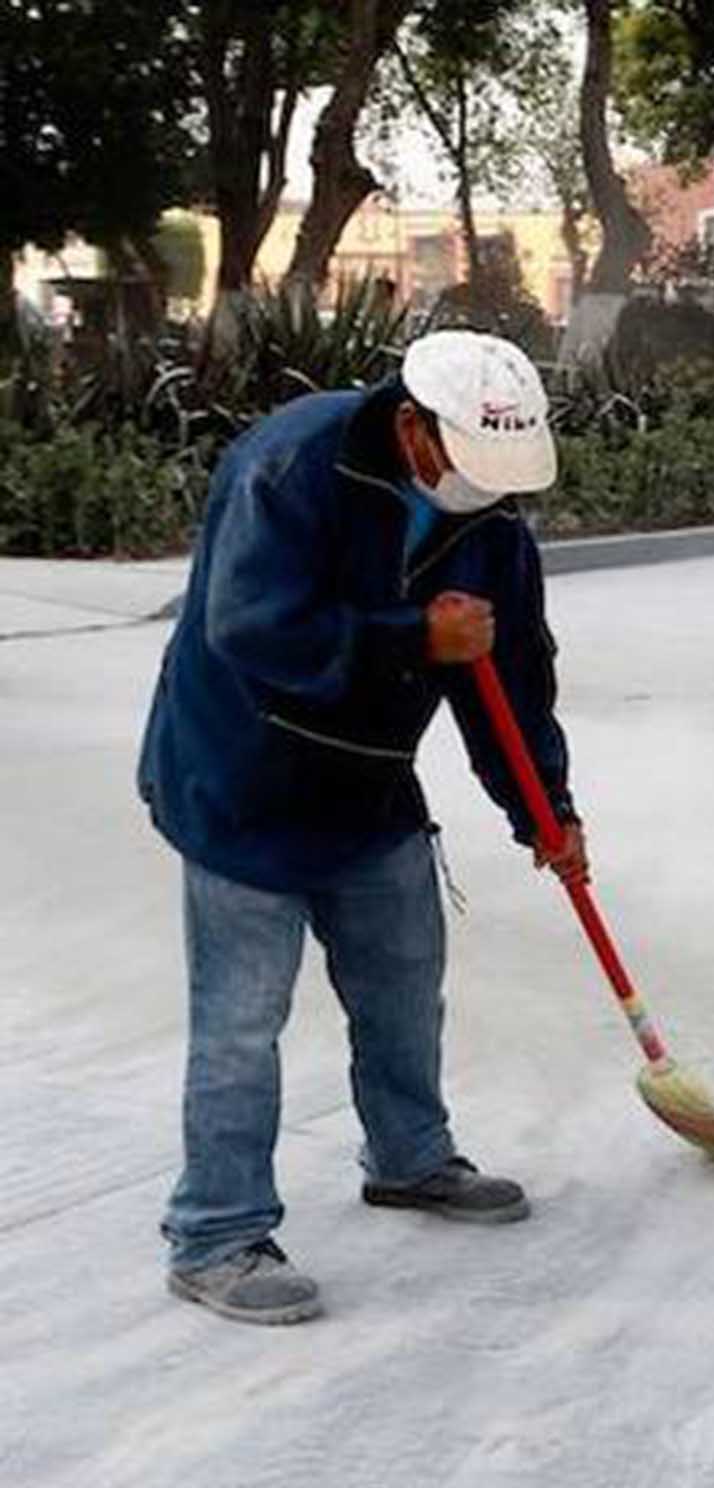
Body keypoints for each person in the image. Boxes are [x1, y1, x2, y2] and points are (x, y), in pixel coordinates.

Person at [138, 330, 585, 1325]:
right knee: (241, 1023)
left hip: (370, 785)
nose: (486, 489)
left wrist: (544, 810)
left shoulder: (493, 526)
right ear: (414, 427)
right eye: (470, 463)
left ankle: (409, 1158)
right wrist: (415, 634)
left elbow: (509, 681)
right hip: (240, 778)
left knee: (401, 984)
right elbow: (249, 624)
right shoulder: (292, 462)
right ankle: (215, 1231)